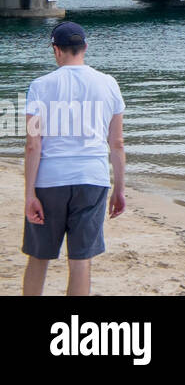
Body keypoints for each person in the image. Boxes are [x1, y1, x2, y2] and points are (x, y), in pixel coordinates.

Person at [22, 22, 126, 297]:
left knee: (39, 256)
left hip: (50, 181)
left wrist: (29, 193)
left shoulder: (40, 86)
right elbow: (116, 143)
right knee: (80, 260)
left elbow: (33, 144)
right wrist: (119, 189)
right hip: (92, 178)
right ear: (85, 48)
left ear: (56, 50)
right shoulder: (109, 84)